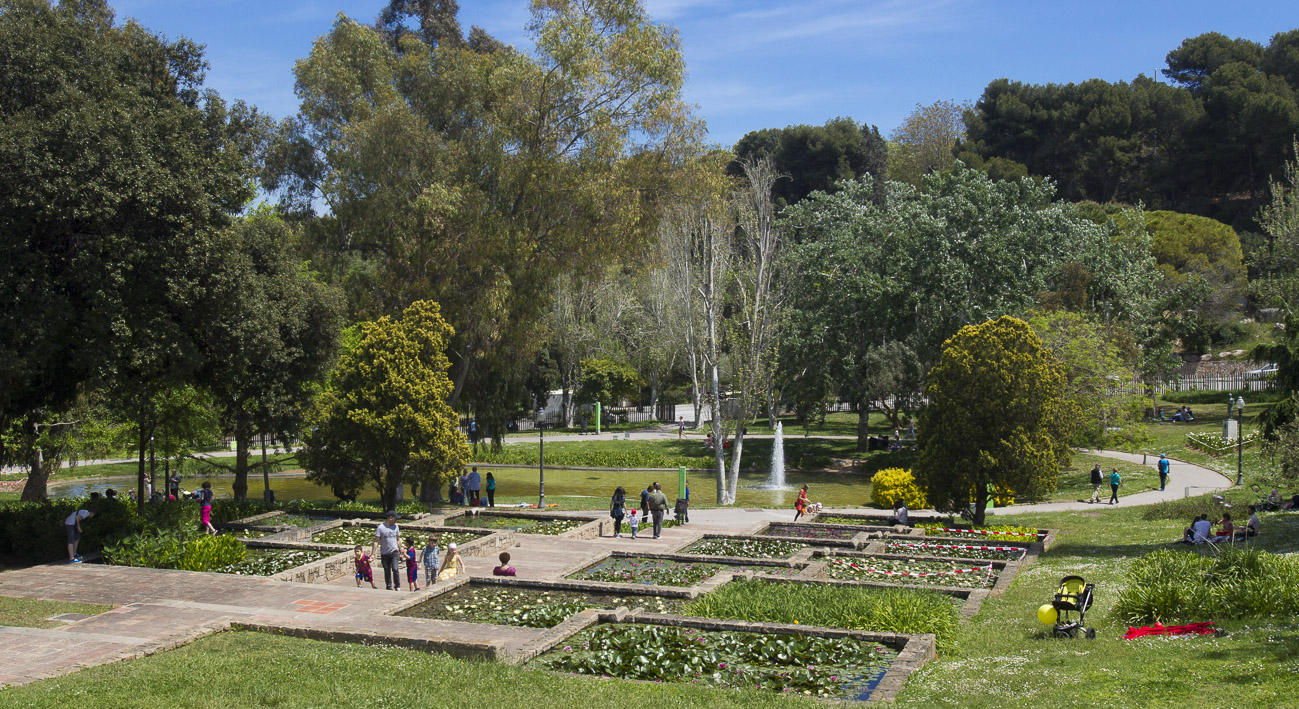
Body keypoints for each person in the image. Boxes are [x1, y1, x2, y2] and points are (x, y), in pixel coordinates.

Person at [371, 511, 402, 591]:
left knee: (395, 569)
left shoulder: (396, 527)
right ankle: (389, 586)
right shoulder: (380, 528)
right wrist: (372, 553)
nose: (396, 520)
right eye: (395, 518)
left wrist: (400, 549)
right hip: (384, 552)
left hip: (394, 551)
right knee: (387, 570)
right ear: (390, 518)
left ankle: (397, 585)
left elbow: (398, 539)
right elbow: (376, 541)